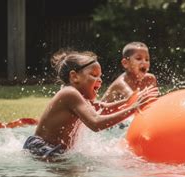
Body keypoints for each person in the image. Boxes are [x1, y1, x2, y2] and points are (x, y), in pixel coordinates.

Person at [23, 50, 158, 161]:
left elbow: (103, 108)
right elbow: (96, 123)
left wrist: (128, 101)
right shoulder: (70, 93)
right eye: (94, 75)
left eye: (100, 76)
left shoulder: (79, 96)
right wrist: (133, 108)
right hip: (42, 149)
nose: (99, 79)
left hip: (56, 150)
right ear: (74, 77)